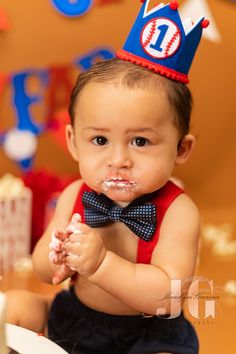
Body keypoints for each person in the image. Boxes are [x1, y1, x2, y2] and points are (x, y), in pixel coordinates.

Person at [6, 1, 210, 352]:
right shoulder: (74, 195)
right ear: (73, 142)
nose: (118, 159)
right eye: (100, 140)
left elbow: (168, 298)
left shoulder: (179, 213)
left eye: (141, 141)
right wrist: (55, 254)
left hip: (147, 335)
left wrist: (101, 264)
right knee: (15, 306)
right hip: (77, 318)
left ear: (181, 149)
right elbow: (42, 269)